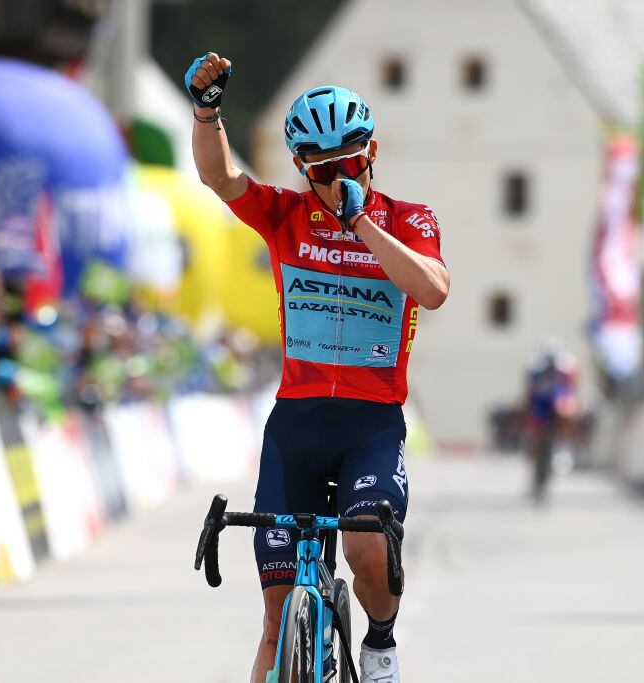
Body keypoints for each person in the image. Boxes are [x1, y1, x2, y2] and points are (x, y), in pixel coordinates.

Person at [187, 52, 449, 683]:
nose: (337, 180)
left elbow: (434, 289)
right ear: (303, 168)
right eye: (324, 170)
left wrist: (360, 222)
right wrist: (207, 110)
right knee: (277, 619)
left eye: (351, 164)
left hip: (372, 424)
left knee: (365, 551)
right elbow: (220, 177)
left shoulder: (409, 220)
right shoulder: (284, 214)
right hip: (297, 424)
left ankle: (379, 642)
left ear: (372, 154)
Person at [524, 339, 579, 503]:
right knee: (535, 430)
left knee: (567, 412)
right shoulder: (535, 369)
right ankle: (533, 452)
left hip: (558, 402)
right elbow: (529, 394)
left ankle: (564, 445)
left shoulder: (566, 369)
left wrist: (571, 406)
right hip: (540, 404)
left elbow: (572, 391)